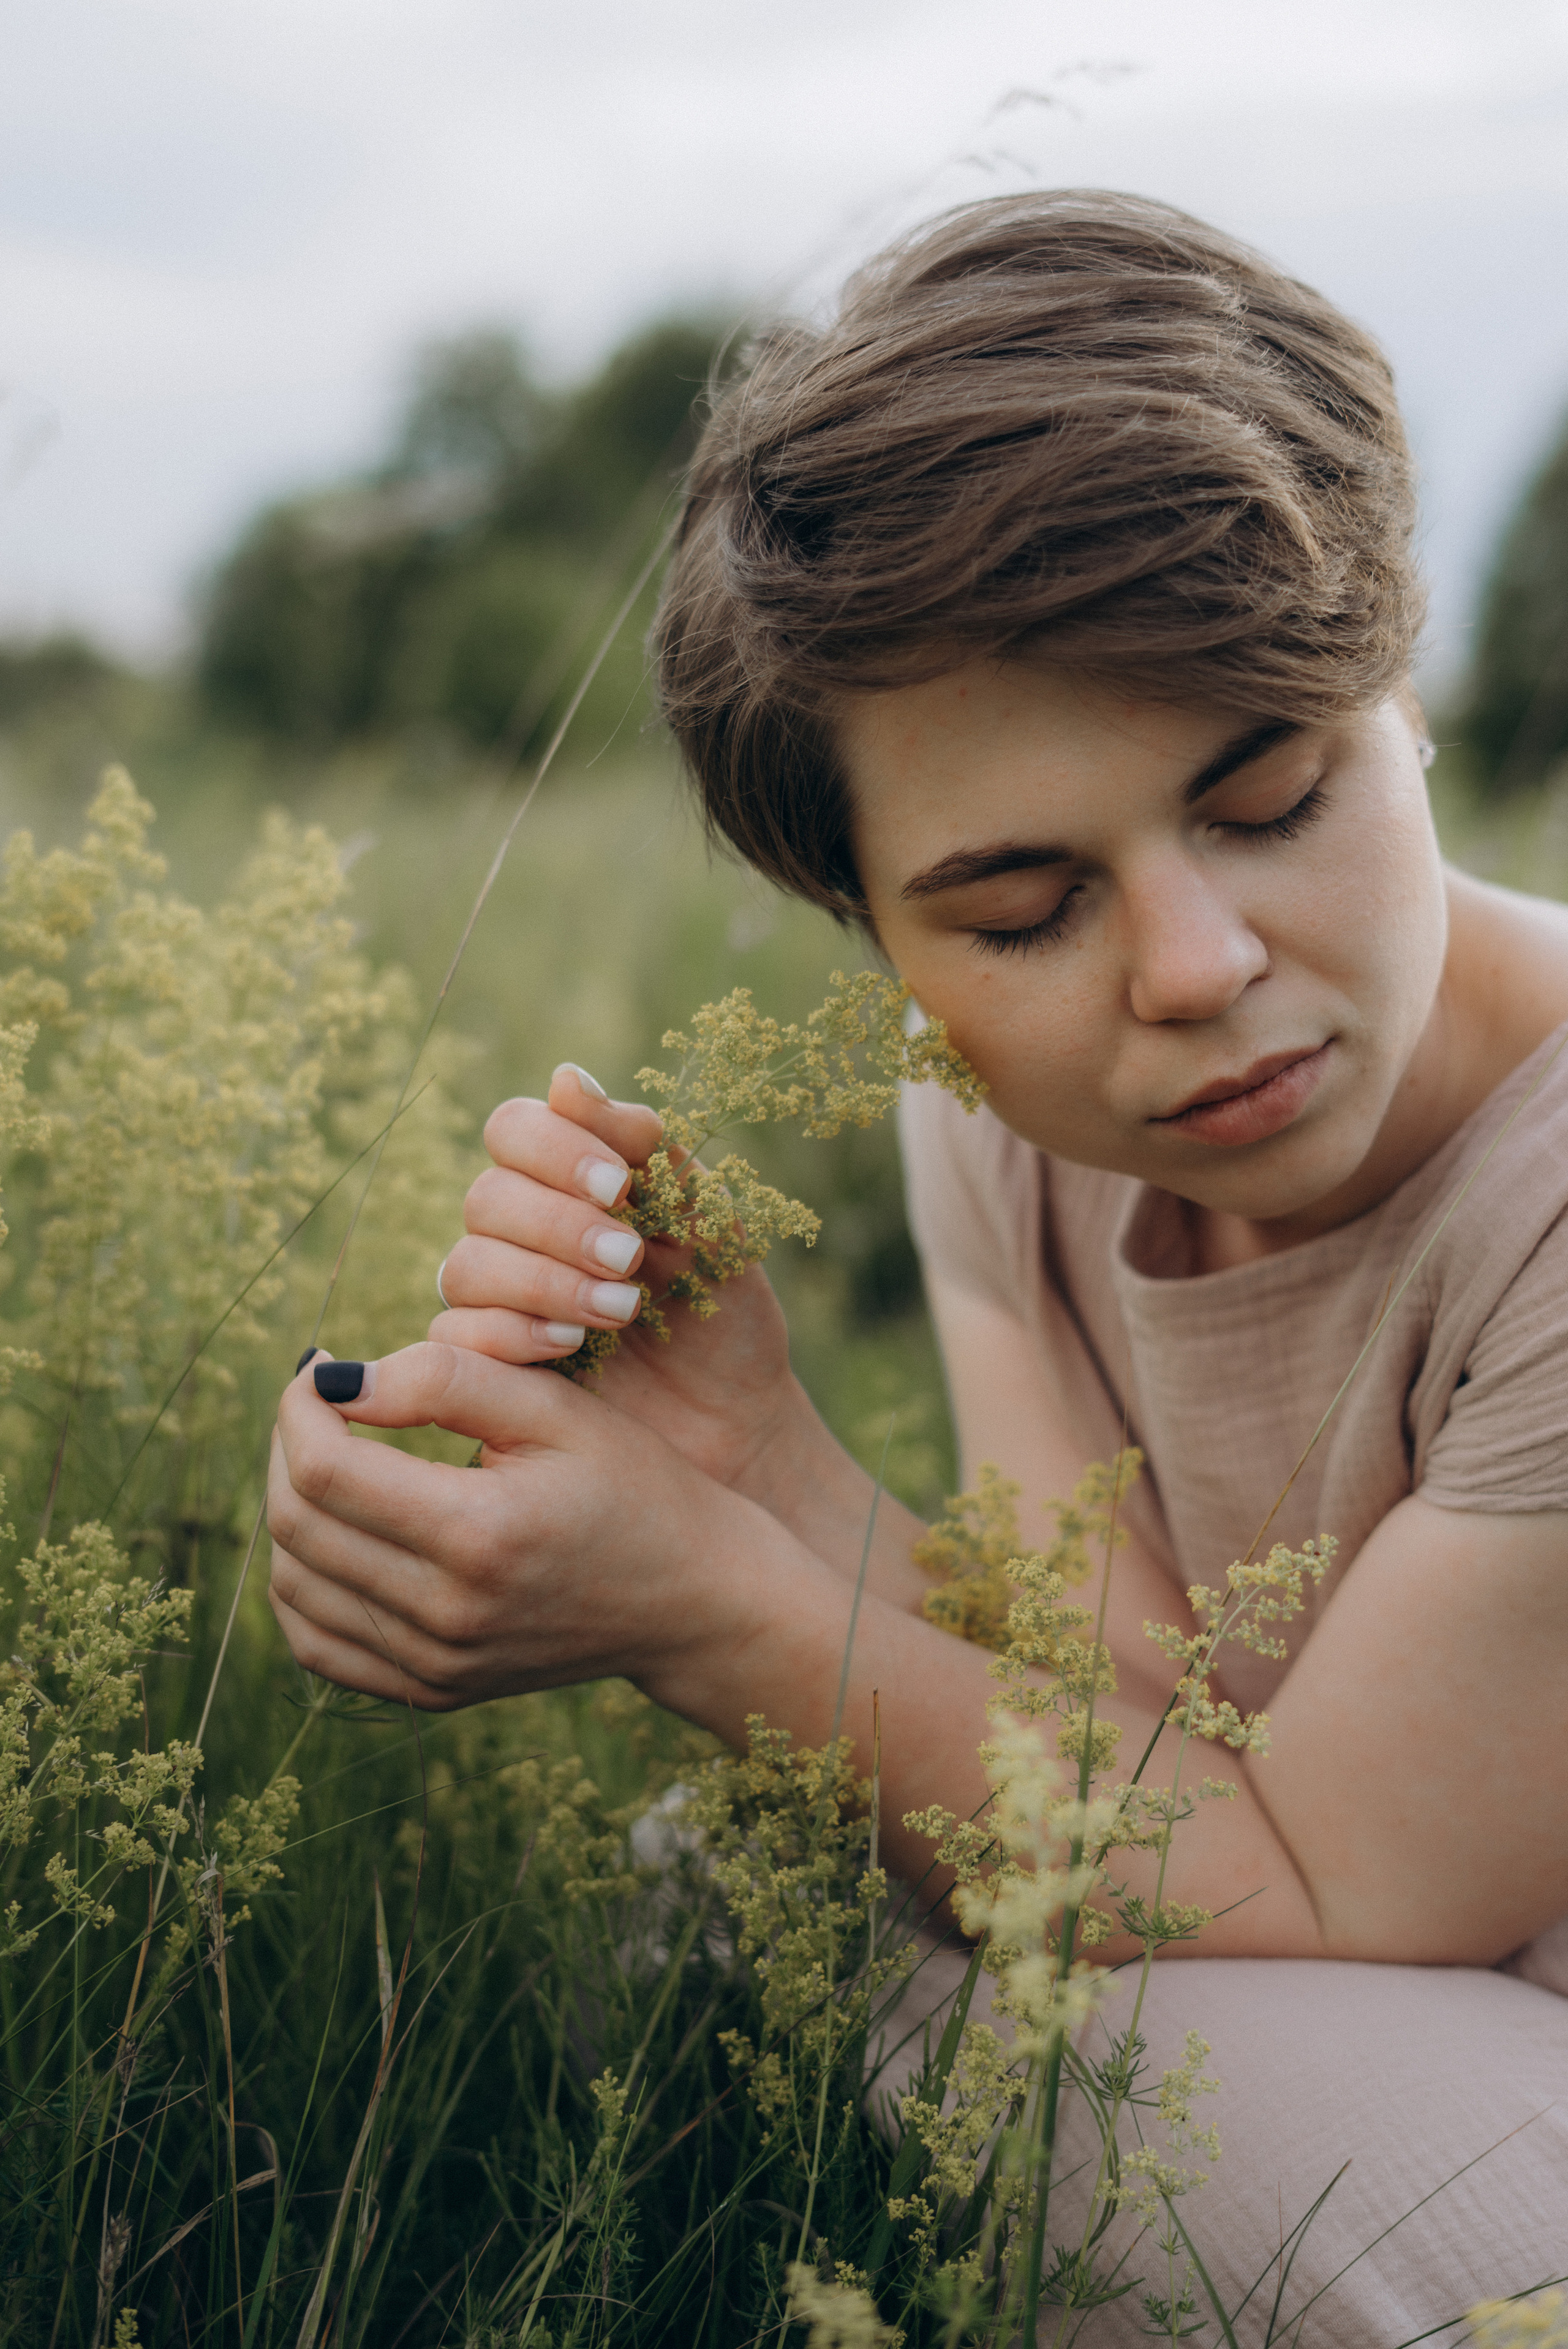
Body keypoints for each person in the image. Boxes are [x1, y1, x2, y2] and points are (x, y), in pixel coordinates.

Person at [267, 193, 1568, 2339]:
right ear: (878, 933)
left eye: (1269, 793)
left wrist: (699, 1599)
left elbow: (1336, 1883)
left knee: (1110, 2097)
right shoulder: (994, 1125)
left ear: (1404, 692)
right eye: (1022, 908)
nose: (1196, 967)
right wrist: (756, 1466)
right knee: (715, 1905)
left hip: (1434, 1987)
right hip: (1356, 1978)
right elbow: (1131, 1732)